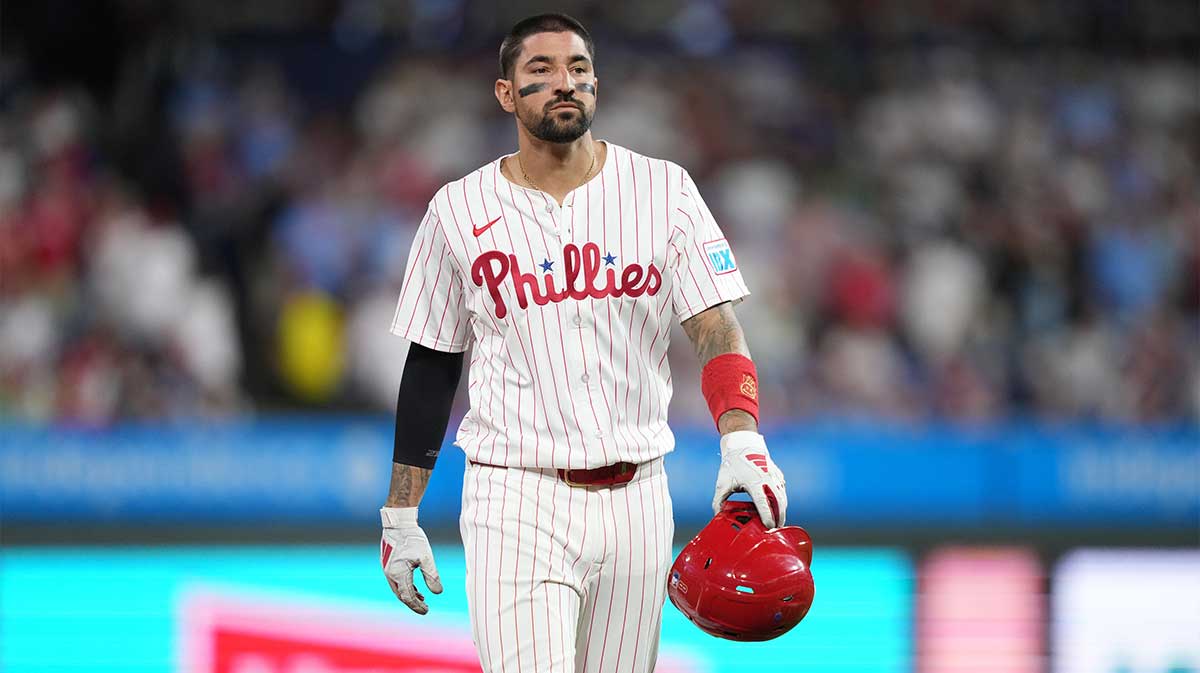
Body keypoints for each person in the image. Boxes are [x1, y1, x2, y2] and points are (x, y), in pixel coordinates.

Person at [379, 13, 788, 673]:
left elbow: (714, 323)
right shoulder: (456, 210)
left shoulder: (664, 190)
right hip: (516, 494)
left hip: (638, 497)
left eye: (577, 69)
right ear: (506, 94)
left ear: (595, 84)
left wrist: (742, 437)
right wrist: (401, 511)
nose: (563, 83)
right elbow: (432, 361)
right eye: (539, 72)